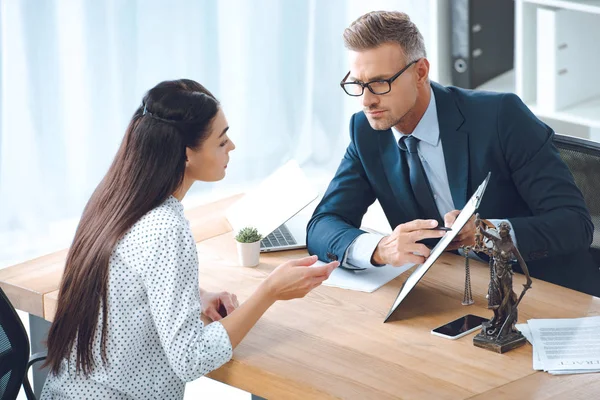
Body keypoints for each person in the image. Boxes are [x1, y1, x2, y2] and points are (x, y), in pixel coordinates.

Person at [41, 79, 338, 399]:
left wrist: (195, 295)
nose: (232, 147)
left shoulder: (116, 199)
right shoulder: (167, 228)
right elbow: (191, 358)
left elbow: (131, 278)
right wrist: (269, 292)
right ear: (186, 155)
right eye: (222, 141)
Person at [307, 10, 600, 297]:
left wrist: (487, 234)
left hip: (542, 292)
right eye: (358, 84)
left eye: (380, 84)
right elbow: (323, 224)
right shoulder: (367, 131)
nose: (367, 101)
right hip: (450, 291)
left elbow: (575, 225)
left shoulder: (501, 116)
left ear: (420, 72)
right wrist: (380, 249)